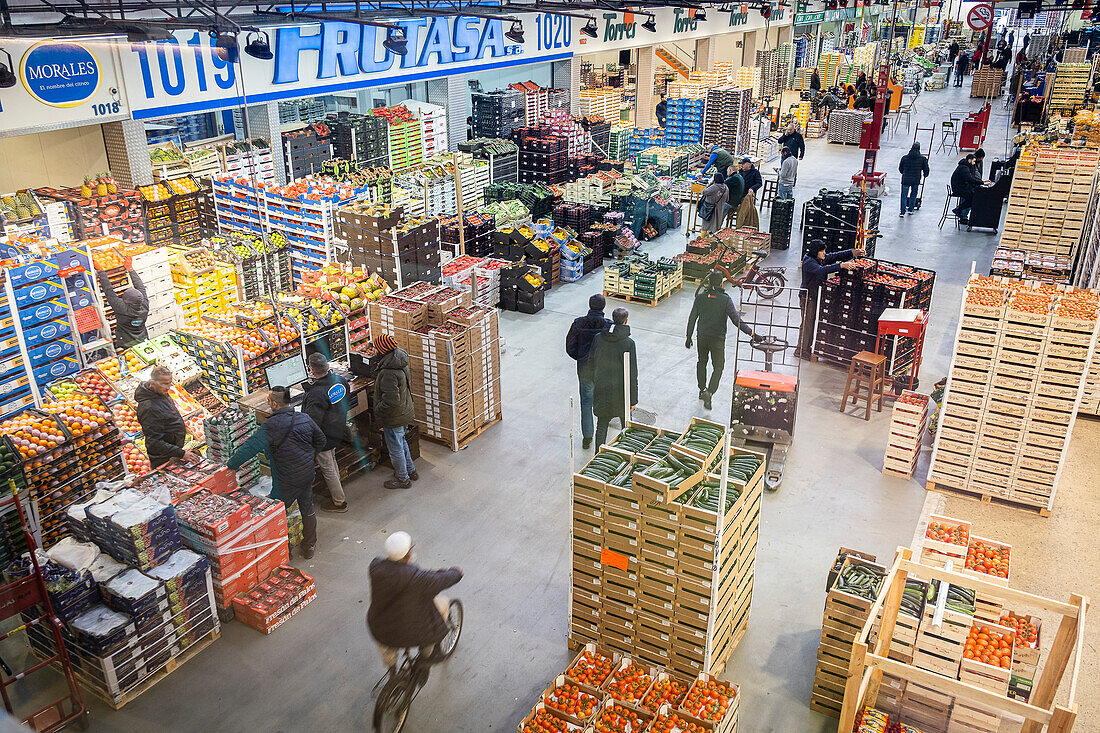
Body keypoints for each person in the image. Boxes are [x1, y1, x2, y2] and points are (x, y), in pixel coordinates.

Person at [227, 387, 326, 559]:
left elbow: (250, 447)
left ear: (274, 403)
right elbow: (321, 440)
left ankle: (285, 550)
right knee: (307, 508)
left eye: (268, 402)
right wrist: (308, 457)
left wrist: (231, 465)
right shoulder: (304, 418)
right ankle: (309, 545)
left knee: (277, 513)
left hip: (285, 479)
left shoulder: (270, 426)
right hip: (306, 473)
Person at [367, 531, 462, 673]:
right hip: (412, 633)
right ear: (407, 554)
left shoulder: (376, 568)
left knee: (385, 642)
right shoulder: (418, 578)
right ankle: (426, 657)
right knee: (443, 604)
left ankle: (392, 671)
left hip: (380, 628)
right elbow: (442, 579)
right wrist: (456, 572)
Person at [686, 271, 760, 410]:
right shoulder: (725, 299)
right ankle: (710, 392)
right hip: (717, 339)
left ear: (708, 283)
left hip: (702, 336)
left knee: (701, 362)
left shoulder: (700, 297)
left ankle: (702, 390)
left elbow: (692, 318)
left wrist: (688, 336)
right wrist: (752, 333)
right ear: (721, 283)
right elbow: (736, 320)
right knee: (718, 367)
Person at [796, 241, 864, 359]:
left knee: (812, 323)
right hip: (808, 297)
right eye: (822, 251)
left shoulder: (818, 258)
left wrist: (852, 252)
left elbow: (834, 256)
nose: (824, 253)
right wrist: (841, 266)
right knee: (807, 324)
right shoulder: (809, 261)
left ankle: (807, 347)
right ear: (815, 251)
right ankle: (801, 350)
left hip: (816, 295)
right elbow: (821, 270)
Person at [302, 352, 350, 513]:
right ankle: (338, 490)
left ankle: (339, 502)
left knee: (327, 467)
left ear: (312, 370)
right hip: (338, 429)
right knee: (332, 461)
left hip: (323, 436)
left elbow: (312, 421)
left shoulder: (316, 393)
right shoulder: (341, 381)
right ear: (328, 366)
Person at [565, 294, 611, 449]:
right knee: (603, 401)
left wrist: (580, 358)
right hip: (603, 371)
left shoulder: (578, 323)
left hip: (584, 370)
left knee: (586, 402)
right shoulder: (608, 325)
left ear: (590, 305)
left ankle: (587, 436)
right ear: (603, 307)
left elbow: (570, 346)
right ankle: (602, 431)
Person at [372, 333, 417, 490]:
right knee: (401, 441)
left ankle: (403, 478)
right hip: (405, 411)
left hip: (394, 416)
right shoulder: (399, 361)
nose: (374, 351)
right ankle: (411, 470)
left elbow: (391, 401)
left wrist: (377, 410)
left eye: (376, 348)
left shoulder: (388, 372)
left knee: (395, 448)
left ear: (382, 351)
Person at [135, 365, 200, 469]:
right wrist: (181, 453)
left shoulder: (160, 392)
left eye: (169, 383)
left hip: (172, 452)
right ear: (152, 383)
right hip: (163, 458)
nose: (168, 387)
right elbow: (154, 442)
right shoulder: (149, 408)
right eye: (164, 384)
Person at [590, 308, 637, 448]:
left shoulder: (598, 338)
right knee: (627, 426)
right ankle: (626, 454)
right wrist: (633, 399)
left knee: (602, 425)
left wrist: (595, 382)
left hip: (602, 388)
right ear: (626, 321)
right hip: (621, 392)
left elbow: (591, 362)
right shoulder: (629, 343)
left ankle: (597, 458)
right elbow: (632, 373)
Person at [97, 259, 149, 349]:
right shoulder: (144, 304)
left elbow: (109, 291)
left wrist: (101, 271)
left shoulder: (121, 308)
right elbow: (140, 286)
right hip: (143, 337)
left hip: (126, 342)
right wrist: (130, 269)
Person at [898, 142, 930, 217]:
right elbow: (926, 169)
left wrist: (904, 173)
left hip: (905, 179)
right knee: (913, 194)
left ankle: (902, 212)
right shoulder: (922, 159)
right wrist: (925, 175)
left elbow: (900, 168)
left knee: (904, 195)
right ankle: (910, 209)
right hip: (916, 179)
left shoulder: (905, 158)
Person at [951, 154, 983, 225]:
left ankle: (959, 210)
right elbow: (970, 179)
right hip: (959, 189)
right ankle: (959, 210)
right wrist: (982, 182)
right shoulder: (964, 168)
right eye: (974, 161)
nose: (974, 163)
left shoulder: (964, 166)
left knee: (972, 196)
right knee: (973, 198)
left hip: (960, 187)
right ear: (969, 160)